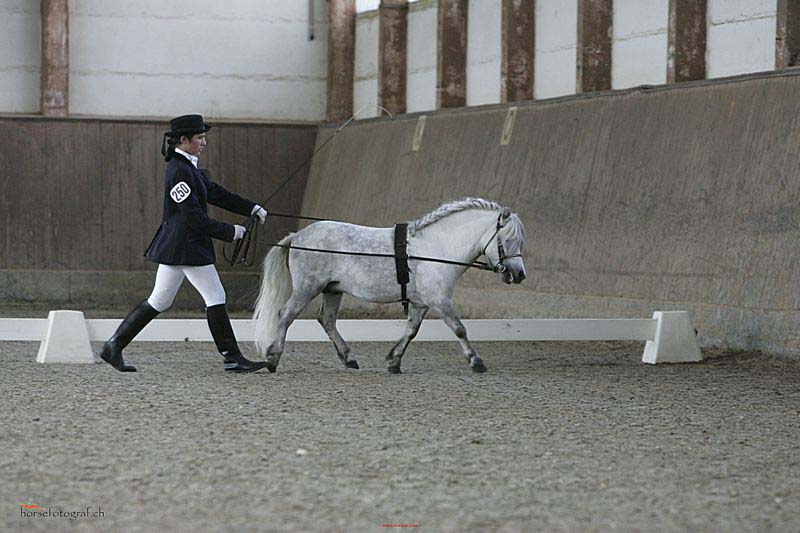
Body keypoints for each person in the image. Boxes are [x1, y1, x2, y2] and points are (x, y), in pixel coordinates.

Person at [99, 114, 268, 373]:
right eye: (200, 138)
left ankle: (113, 346)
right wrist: (229, 231)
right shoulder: (179, 171)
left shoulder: (189, 167)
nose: (204, 143)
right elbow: (193, 218)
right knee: (215, 296)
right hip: (186, 246)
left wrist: (252, 207)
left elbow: (215, 193)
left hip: (179, 245)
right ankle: (232, 357)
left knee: (160, 300)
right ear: (183, 140)